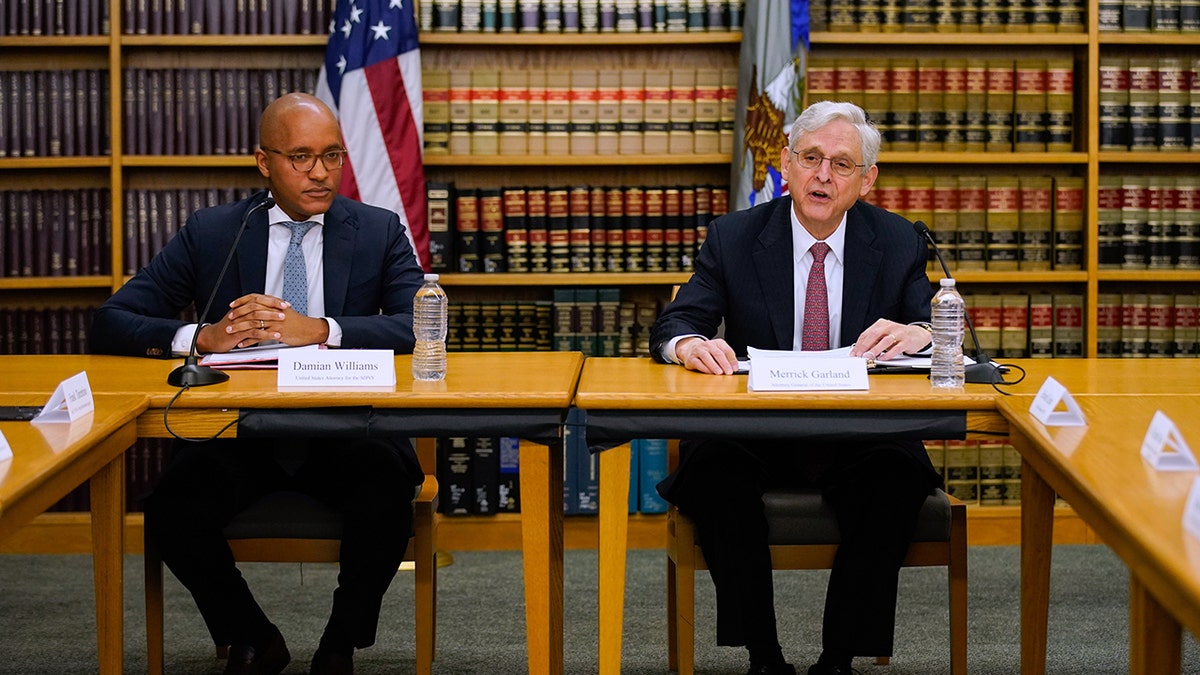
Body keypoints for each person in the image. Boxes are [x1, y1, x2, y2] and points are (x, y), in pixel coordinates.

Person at [90, 92, 427, 675]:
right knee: (171, 510)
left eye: (332, 156)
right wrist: (201, 338)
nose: (320, 173)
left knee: (385, 495)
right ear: (263, 161)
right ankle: (251, 636)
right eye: (300, 157)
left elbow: (414, 326)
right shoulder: (214, 231)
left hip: (345, 429)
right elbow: (112, 321)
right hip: (239, 432)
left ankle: (339, 646)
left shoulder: (377, 230)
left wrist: (319, 328)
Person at [649, 100, 944, 675]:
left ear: (867, 180)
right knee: (711, 475)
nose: (823, 175)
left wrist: (916, 333)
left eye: (841, 164)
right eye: (811, 158)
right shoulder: (734, 237)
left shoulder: (898, 241)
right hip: (758, 432)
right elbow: (675, 323)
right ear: (786, 163)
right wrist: (688, 345)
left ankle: (838, 660)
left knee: (896, 481)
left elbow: (937, 329)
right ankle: (764, 657)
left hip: (861, 435)